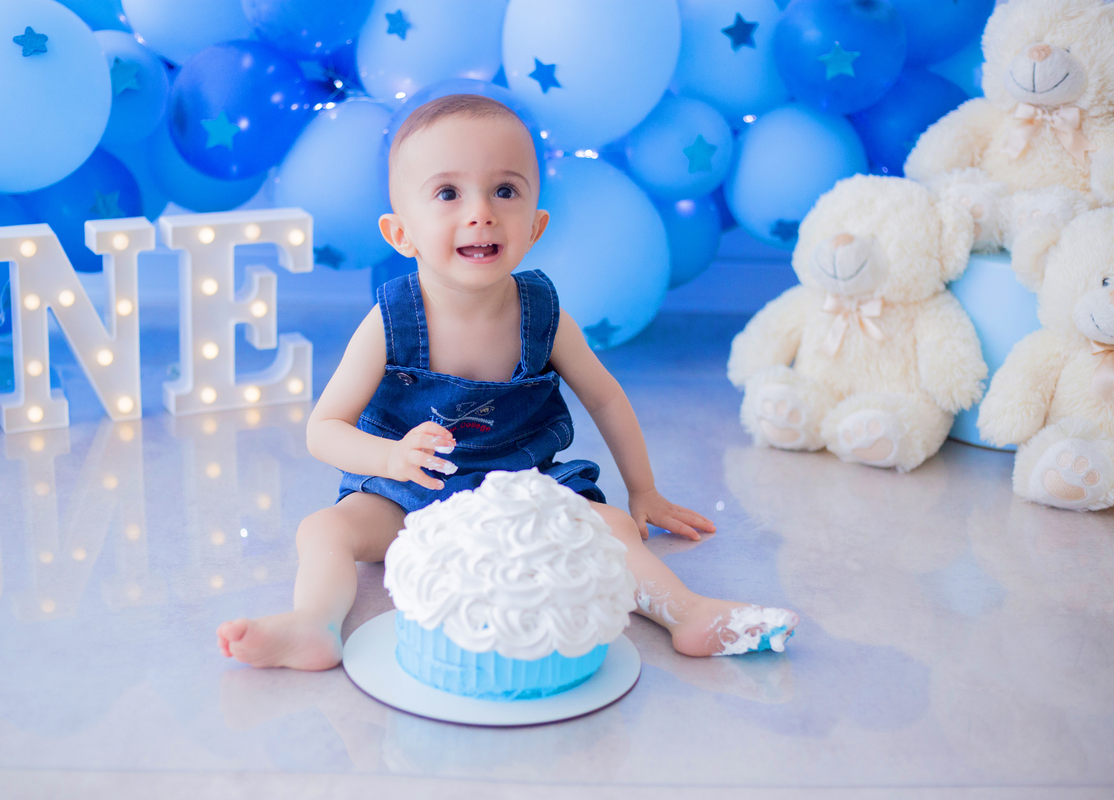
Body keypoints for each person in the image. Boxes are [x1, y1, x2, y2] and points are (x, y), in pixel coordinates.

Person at [217, 94, 798, 670]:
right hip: (407, 496)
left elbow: (606, 397)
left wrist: (643, 491)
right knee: (324, 529)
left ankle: (688, 614)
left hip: (525, 494)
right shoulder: (390, 319)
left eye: (505, 190)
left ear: (535, 225)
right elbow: (324, 429)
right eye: (448, 193)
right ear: (401, 234)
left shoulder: (542, 312)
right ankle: (313, 624)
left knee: (611, 528)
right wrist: (392, 457)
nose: (481, 212)